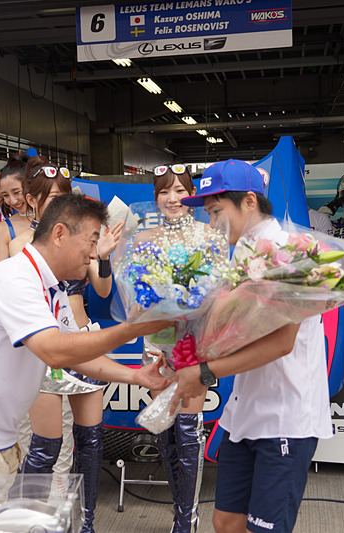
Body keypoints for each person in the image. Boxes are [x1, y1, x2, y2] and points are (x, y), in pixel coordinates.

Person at [0, 193, 172, 510]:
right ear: (60, 234)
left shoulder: (52, 287)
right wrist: (132, 329)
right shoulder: (15, 278)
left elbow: (76, 355)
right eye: (91, 242)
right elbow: (53, 351)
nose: (95, 255)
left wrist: (137, 376)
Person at [178, 159, 332, 533]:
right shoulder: (244, 253)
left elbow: (282, 343)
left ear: (249, 201)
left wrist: (203, 372)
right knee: (226, 521)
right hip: (246, 412)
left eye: (217, 212)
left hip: (285, 416)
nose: (213, 224)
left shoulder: (291, 252)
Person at [14, 157, 122, 533]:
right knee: (45, 447)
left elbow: (104, 290)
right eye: (49, 197)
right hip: (45, 346)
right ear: (32, 201)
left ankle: (87, 524)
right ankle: (30, 521)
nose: (57, 201)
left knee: (90, 442)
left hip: (82, 339)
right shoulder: (18, 246)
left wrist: (103, 257)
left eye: (63, 195)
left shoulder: (80, 238)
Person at [135, 163, 223, 533]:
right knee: (164, 429)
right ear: (156, 198)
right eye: (164, 192)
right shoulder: (143, 239)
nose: (172, 198)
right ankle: (180, 509)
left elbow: (220, 294)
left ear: (193, 195)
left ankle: (185, 521)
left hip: (196, 342)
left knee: (188, 428)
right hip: (157, 341)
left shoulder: (210, 235)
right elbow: (137, 299)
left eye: (180, 190)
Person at [0, 156, 32, 262]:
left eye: (16, 192)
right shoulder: (3, 229)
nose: (13, 201)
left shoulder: (53, 218)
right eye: (5, 195)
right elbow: (2, 273)